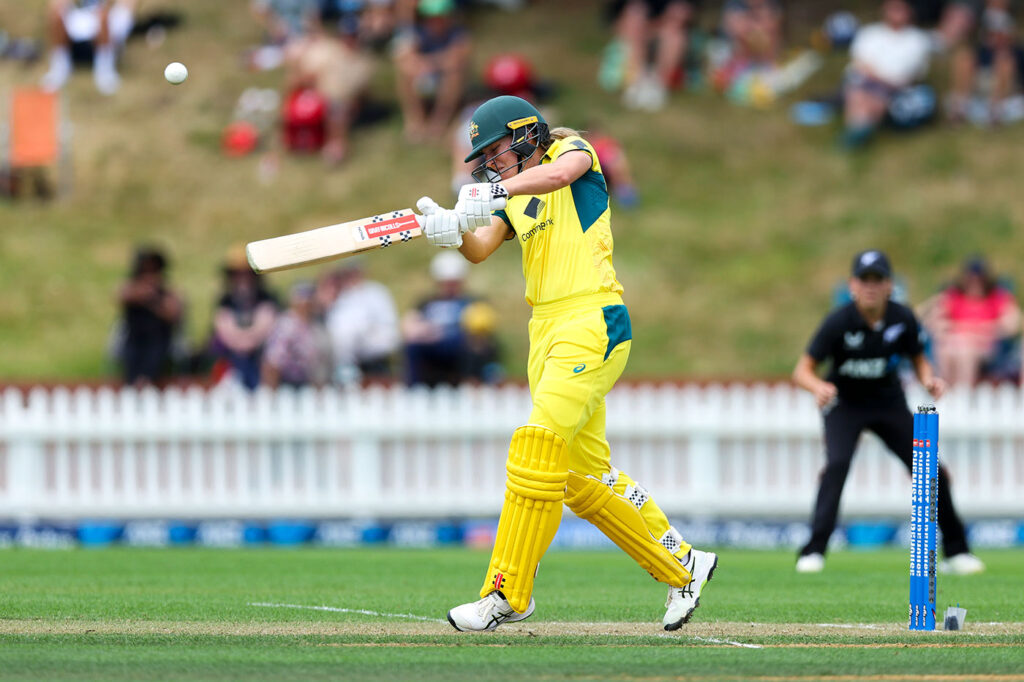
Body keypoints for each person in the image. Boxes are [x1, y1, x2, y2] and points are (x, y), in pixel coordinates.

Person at [416, 95, 718, 632]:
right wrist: (452, 229)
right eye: (485, 158)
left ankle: (505, 594)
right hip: (546, 330)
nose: (494, 163)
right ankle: (683, 563)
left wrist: (492, 191)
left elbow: (561, 175)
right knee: (581, 476)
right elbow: (480, 249)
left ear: (527, 133)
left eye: (497, 151)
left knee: (535, 444)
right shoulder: (512, 196)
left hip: (591, 318)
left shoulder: (570, 150)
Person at [791, 250, 985, 576]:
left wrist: (928, 380)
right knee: (836, 466)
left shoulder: (902, 318)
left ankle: (958, 551)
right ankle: (813, 551)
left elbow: (918, 357)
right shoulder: (838, 322)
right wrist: (817, 387)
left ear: (889, 285)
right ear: (852, 285)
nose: (870, 286)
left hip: (888, 402)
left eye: (877, 280)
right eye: (864, 280)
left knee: (930, 468)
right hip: (845, 405)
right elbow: (802, 370)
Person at [841, 0, 933, 148]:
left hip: (894, 88)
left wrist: (878, 77)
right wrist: (877, 76)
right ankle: (859, 130)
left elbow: (905, 75)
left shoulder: (917, 39)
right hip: (865, 82)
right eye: (892, 7)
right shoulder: (869, 33)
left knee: (872, 95)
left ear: (909, 11)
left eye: (900, 8)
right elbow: (859, 64)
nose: (895, 12)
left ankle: (856, 132)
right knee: (859, 92)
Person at [918, 256, 1022, 385]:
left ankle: (963, 392)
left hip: (985, 346)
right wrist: (938, 305)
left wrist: (980, 331)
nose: (975, 283)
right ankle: (946, 391)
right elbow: (924, 318)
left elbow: (1013, 324)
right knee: (947, 348)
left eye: (979, 279)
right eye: (971, 279)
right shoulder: (953, 297)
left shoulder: (997, 297)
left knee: (965, 351)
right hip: (954, 344)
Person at [402, 251, 498, 386]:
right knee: (412, 348)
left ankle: (470, 383)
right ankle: (414, 388)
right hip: (432, 346)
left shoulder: (472, 302)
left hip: (461, 347)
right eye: (446, 283)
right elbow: (409, 328)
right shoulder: (426, 303)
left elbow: (483, 330)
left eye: (454, 283)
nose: (450, 287)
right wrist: (433, 332)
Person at [393, 0, 470, 140]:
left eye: (439, 17)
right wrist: (429, 64)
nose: (435, 21)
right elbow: (404, 57)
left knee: (454, 75)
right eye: (431, 17)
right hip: (426, 76)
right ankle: (415, 123)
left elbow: (456, 58)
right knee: (405, 71)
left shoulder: (457, 33)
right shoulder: (417, 33)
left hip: (443, 78)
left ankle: (438, 124)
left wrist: (428, 63)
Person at [210, 246, 279, 390]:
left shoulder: (266, 299)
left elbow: (265, 328)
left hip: (260, 361)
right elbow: (225, 332)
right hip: (231, 363)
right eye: (237, 274)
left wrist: (246, 340)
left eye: (248, 273)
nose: (243, 278)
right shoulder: (225, 302)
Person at [116, 246, 184, 387]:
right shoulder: (132, 287)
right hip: (135, 338)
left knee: (155, 354)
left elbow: (173, 313)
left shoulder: (166, 291)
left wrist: (152, 301)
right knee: (132, 354)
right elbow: (121, 294)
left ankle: (146, 382)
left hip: (159, 340)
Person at [322, 261, 400, 384]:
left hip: (375, 354)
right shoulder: (341, 295)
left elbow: (389, 324)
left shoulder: (377, 292)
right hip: (347, 360)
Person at [40, 0, 136, 95]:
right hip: (82, 16)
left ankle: (105, 69)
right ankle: (60, 68)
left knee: (103, 15)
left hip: (106, 17)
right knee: (56, 11)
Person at [261, 281, 333, 388]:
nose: (307, 303)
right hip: (287, 386)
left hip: (311, 386)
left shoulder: (318, 326)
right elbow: (273, 363)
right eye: (303, 299)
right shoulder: (286, 326)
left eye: (310, 298)